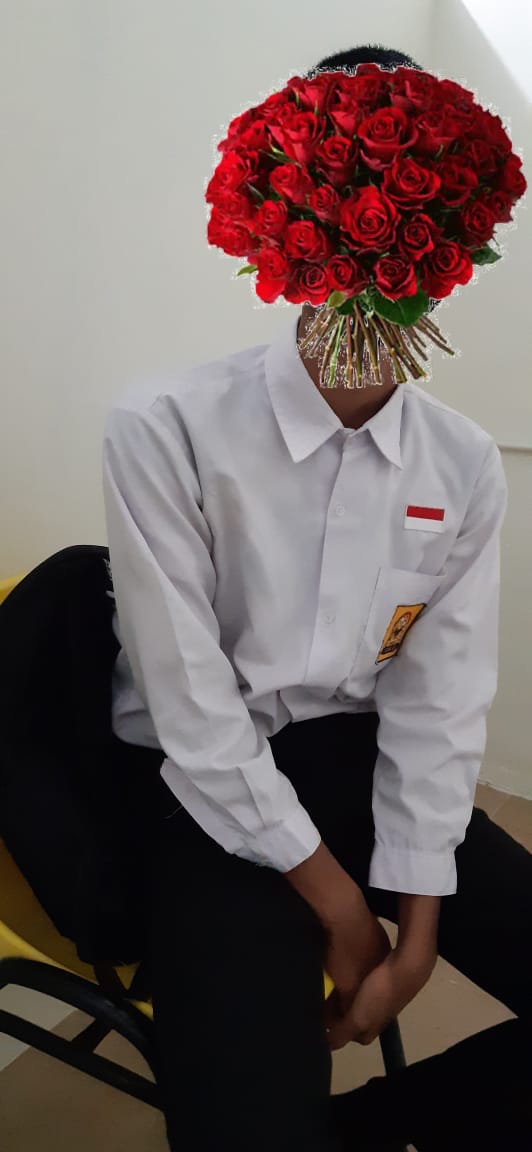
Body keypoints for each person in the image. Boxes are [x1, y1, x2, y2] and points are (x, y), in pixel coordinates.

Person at [102, 43, 531, 1152]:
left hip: (356, 757)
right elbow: (194, 710)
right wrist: (344, 907)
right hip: (203, 793)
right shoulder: (166, 427)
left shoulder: (461, 462)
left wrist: (418, 925)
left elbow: (438, 701)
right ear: (284, 209)